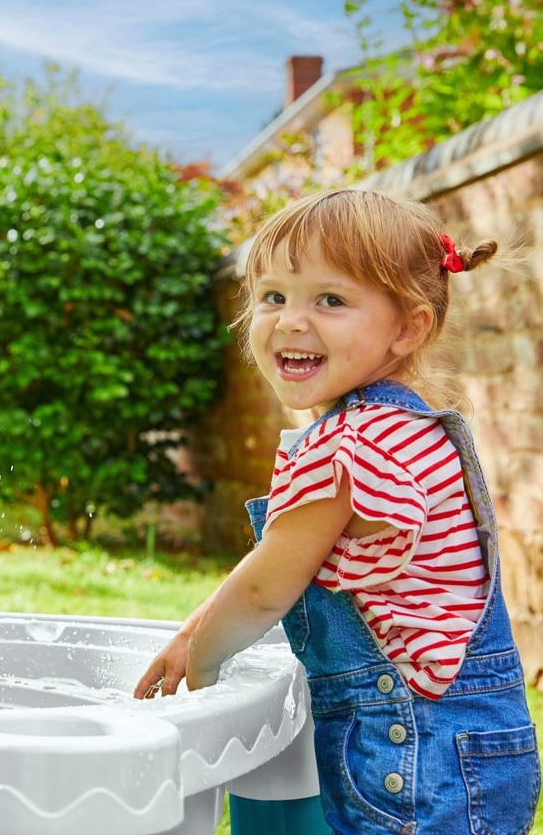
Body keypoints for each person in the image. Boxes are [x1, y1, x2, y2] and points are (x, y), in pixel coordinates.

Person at [134, 189, 540, 834]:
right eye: (273, 296)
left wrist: (207, 663)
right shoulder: (410, 427)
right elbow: (278, 564)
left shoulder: (349, 449)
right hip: (471, 743)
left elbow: (269, 588)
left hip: (411, 752)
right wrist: (193, 626)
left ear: (407, 327)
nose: (291, 321)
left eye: (330, 300)